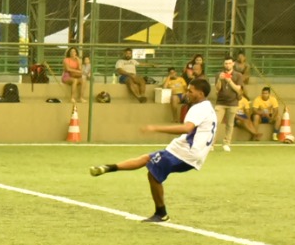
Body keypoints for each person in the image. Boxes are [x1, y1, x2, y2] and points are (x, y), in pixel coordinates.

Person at [88, 77, 217, 223]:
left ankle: (161, 213)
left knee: (153, 174)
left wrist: (156, 128)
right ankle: (109, 167)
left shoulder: (198, 108)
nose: (187, 93)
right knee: (148, 159)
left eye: (190, 91)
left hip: (185, 153)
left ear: (200, 93)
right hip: (185, 151)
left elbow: (187, 128)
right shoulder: (208, 108)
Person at [213, 56, 242, 152]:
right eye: (226, 63)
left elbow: (238, 89)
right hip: (220, 102)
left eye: (229, 63)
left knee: (230, 124)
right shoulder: (219, 74)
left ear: (233, 63)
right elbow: (217, 89)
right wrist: (220, 80)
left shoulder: (238, 75)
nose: (227, 65)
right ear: (223, 64)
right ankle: (211, 143)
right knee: (215, 123)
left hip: (233, 103)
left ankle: (226, 143)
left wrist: (229, 80)